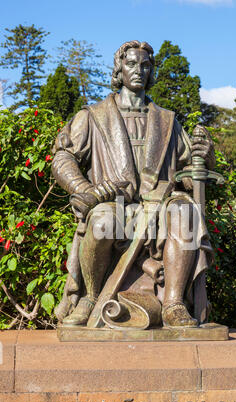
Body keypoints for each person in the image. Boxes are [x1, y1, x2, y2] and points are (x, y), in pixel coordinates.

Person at [52, 40, 215, 328]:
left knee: (185, 214)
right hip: (113, 204)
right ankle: (90, 298)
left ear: (151, 71)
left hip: (161, 205)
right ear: (119, 69)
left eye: (145, 65)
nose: (138, 70)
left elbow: (188, 173)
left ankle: (174, 303)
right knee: (102, 222)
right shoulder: (93, 116)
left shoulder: (168, 121)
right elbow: (63, 159)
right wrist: (85, 190)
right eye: (131, 64)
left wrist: (203, 158)